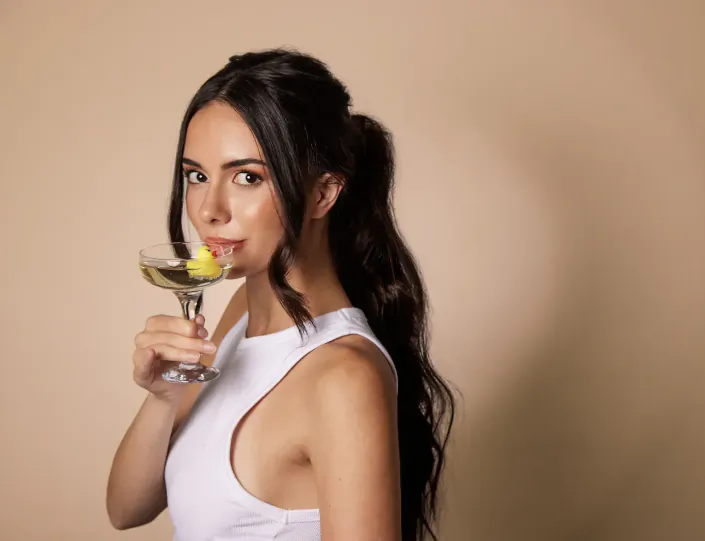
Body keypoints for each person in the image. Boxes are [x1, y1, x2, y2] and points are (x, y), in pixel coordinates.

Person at [106, 48, 455, 541]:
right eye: (197, 176)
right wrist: (165, 397)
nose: (209, 209)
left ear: (322, 194)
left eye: (247, 177)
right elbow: (125, 509)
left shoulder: (344, 377)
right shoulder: (238, 318)